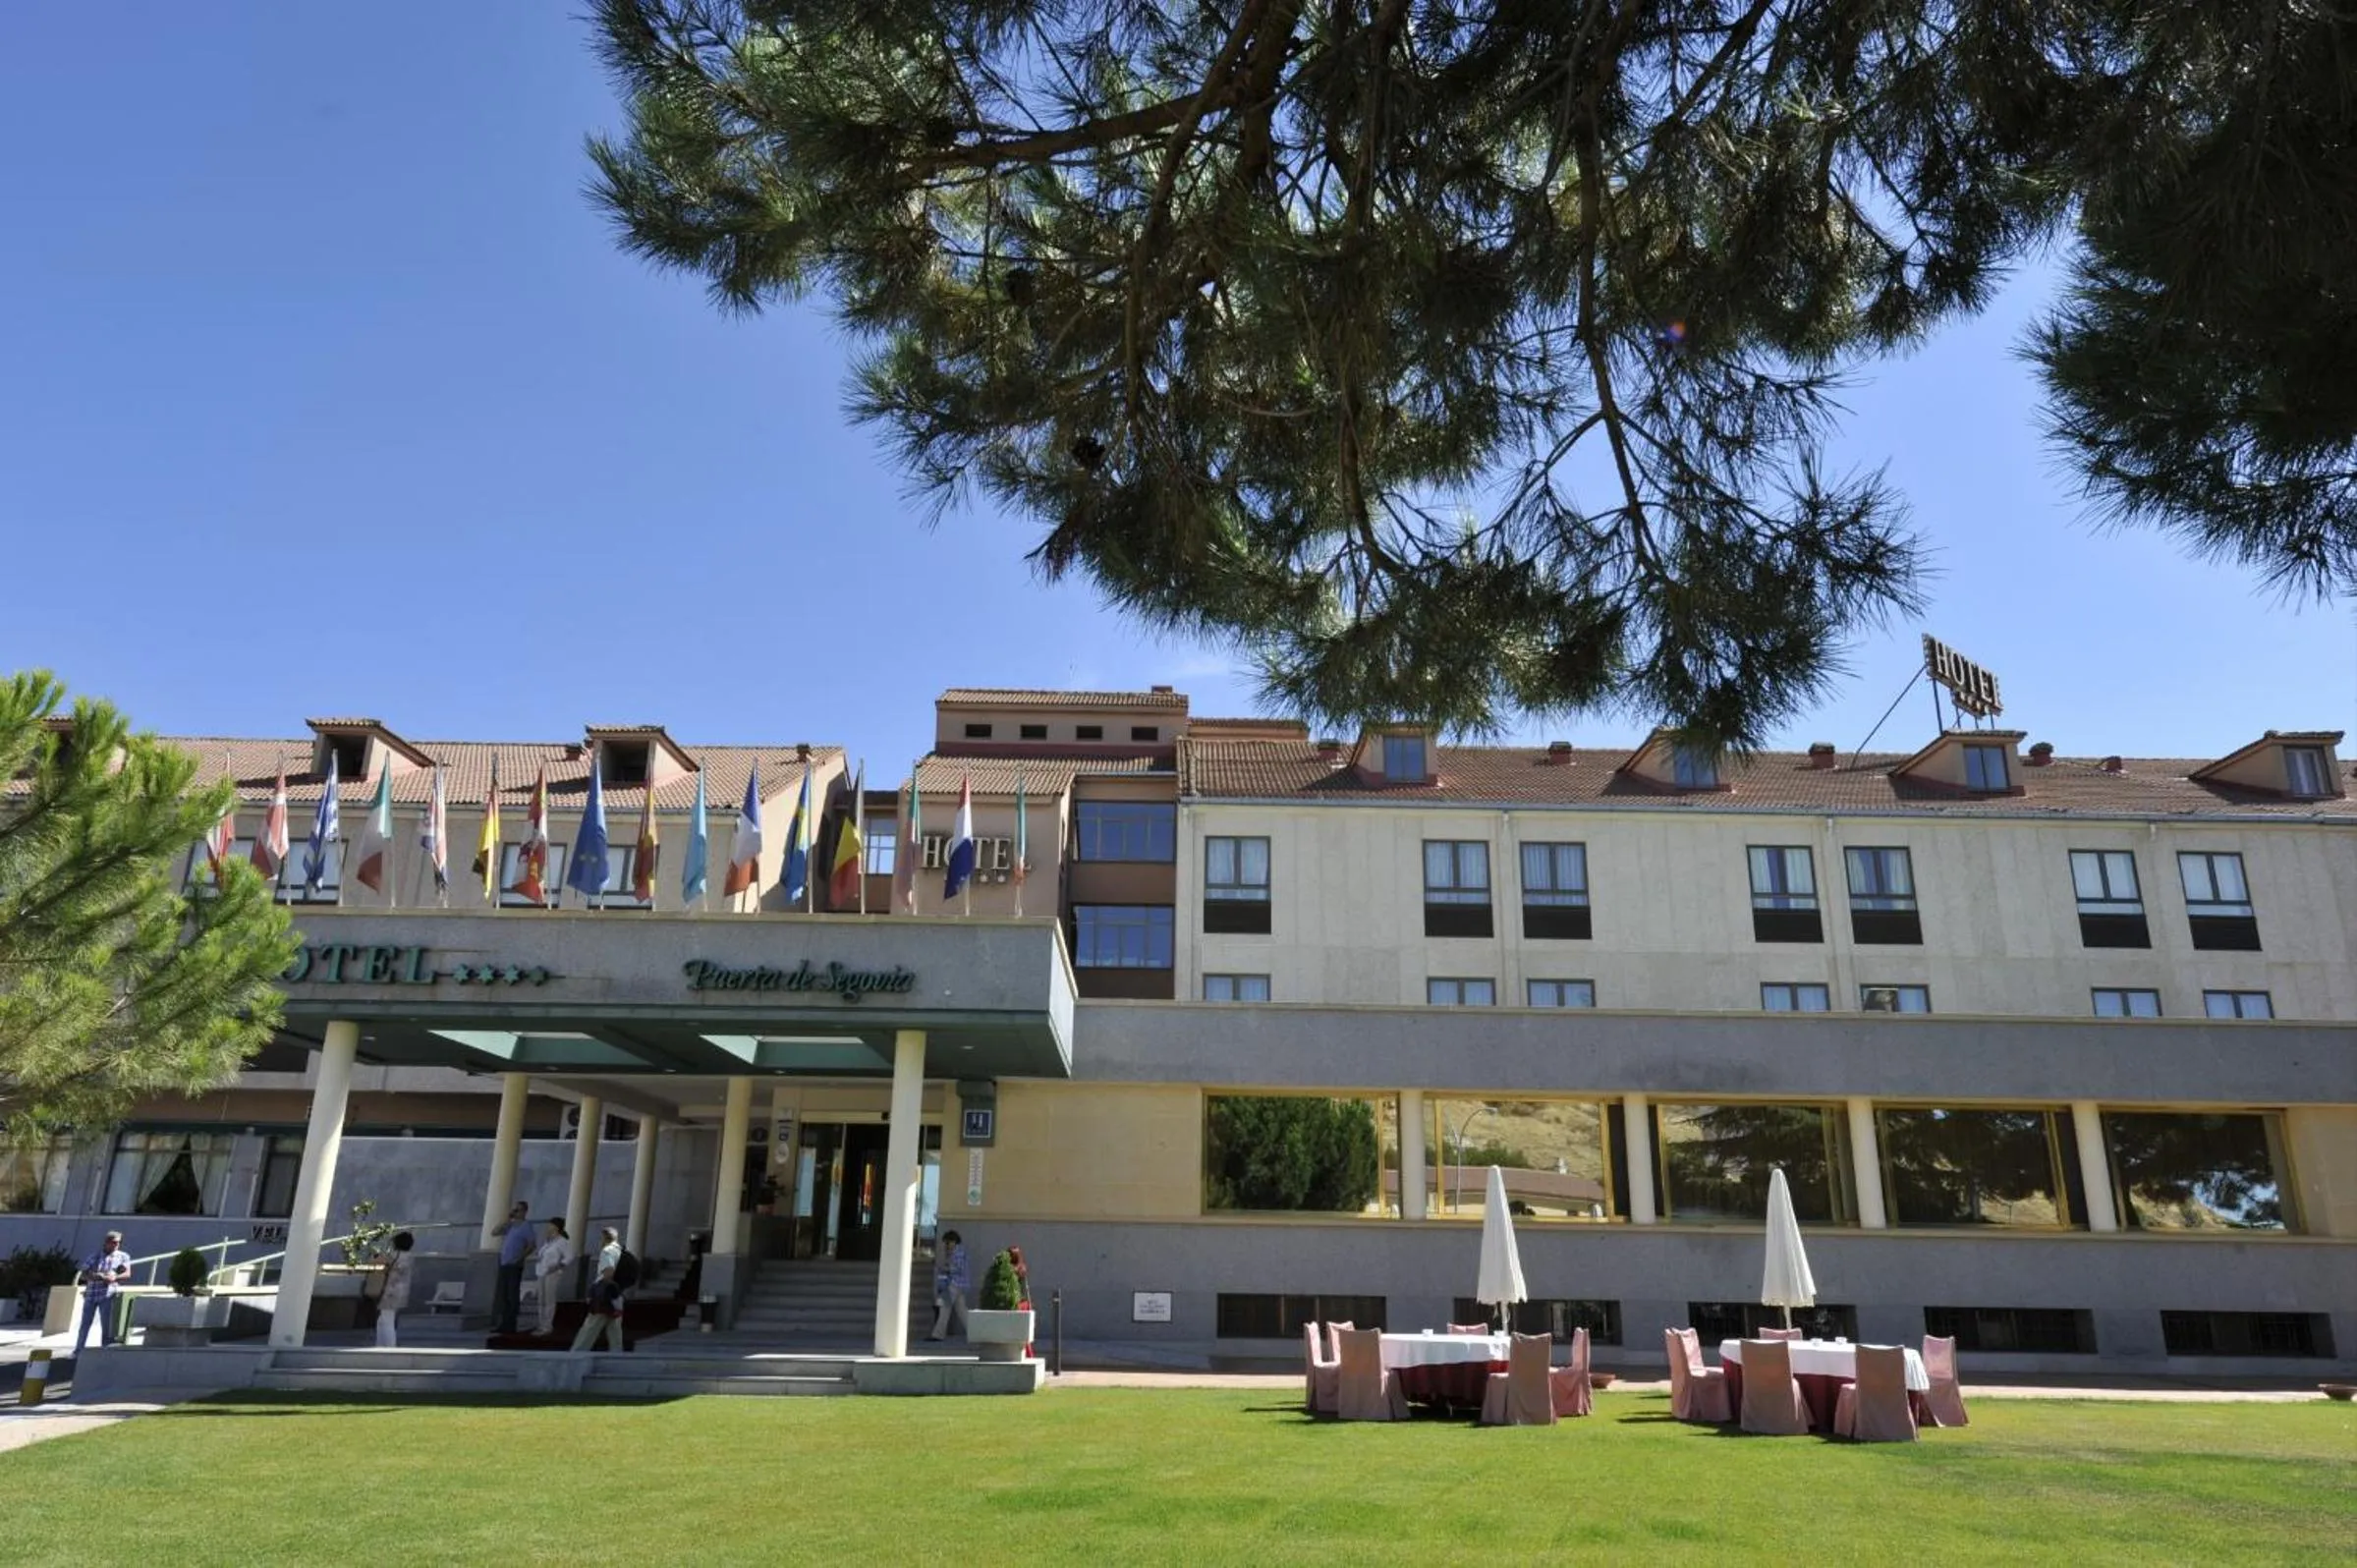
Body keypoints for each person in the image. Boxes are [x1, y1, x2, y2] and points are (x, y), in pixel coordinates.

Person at [74, 1231, 132, 1358]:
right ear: (106, 1242)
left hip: (108, 1294)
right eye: (113, 1242)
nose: (116, 1245)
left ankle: (105, 1349)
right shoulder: (95, 1256)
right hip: (92, 1294)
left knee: (107, 1324)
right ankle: (78, 1350)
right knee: (85, 1324)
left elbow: (127, 1273)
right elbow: (84, 1274)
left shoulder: (123, 1256)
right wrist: (98, 1276)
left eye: (118, 1242)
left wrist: (115, 1277)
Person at [568, 1259, 626, 1353]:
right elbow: (617, 1300)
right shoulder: (608, 1284)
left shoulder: (598, 1283)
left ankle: (578, 1349)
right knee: (612, 1332)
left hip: (601, 1310)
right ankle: (616, 1351)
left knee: (593, 1331)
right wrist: (619, 1310)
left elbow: (590, 1297)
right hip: (605, 1310)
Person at [493, 1200, 533, 1334]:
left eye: (518, 1210)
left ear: (524, 1212)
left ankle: (511, 1324)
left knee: (512, 1294)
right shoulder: (511, 1225)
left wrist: (520, 1258)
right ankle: (503, 1323)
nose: (516, 1212)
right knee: (503, 1295)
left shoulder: (526, 1226)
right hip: (504, 1263)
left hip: (515, 1265)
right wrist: (507, 1218)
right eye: (515, 1210)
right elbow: (495, 1232)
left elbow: (531, 1245)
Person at [533, 1219, 575, 1337]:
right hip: (541, 1272)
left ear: (556, 1227)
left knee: (549, 1300)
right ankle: (541, 1324)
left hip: (552, 1273)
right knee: (541, 1300)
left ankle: (547, 1326)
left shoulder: (562, 1242)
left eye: (550, 1225)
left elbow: (569, 1256)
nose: (548, 1227)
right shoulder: (548, 1242)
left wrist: (558, 1266)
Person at [373, 1232, 416, 1348]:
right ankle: (380, 1344)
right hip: (401, 1291)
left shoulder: (395, 1255)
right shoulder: (409, 1256)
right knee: (382, 1319)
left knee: (387, 1319)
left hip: (390, 1291)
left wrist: (377, 1252)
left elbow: (378, 1260)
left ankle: (390, 1346)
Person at [926, 1229, 969, 1342]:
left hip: (954, 1284)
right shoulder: (957, 1252)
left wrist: (945, 1268)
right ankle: (975, 1332)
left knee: (945, 1309)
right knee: (961, 1311)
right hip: (958, 1285)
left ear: (953, 1241)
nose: (946, 1245)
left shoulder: (958, 1253)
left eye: (947, 1242)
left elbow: (957, 1269)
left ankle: (938, 1335)